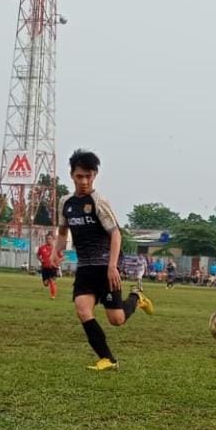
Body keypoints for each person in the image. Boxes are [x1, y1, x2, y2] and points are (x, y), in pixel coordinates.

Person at [52, 149, 153, 372]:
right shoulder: (66, 203)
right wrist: (55, 252)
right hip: (85, 268)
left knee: (116, 319)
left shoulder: (98, 202)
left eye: (89, 176)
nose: (85, 181)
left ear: (95, 175)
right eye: (80, 176)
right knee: (82, 309)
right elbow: (62, 232)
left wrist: (112, 267)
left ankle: (136, 297)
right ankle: (107, 358)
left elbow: (115, 234)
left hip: (105, 266)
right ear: (72, 175)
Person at [38, 233, 58, 299]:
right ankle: (50, 281)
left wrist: (56, 263)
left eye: (49, 239)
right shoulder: (41, 248)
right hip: (45, 268)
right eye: (47, 239)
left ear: (52, 240)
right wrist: (41, 260)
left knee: (52, 281)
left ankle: (53, 295)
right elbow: (38, 255)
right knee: (45, 284)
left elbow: (61, 256)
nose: (48, 240)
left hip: (52, 268)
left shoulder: (55, 249)